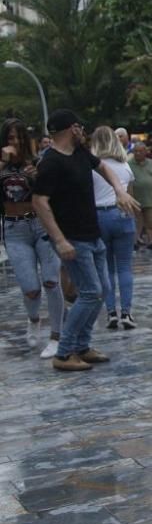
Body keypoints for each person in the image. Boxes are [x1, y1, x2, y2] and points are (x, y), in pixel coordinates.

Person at [33, 109, 140, 371]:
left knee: (101, 291)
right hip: (72, 238)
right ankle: (64, 351)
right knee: (90, 291)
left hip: (93, 235)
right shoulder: (51, 162)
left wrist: (119, 191)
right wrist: (59, 240)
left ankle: (82, 346)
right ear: (71, 129)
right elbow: (39, 202)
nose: (83, 131)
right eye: (80, 127)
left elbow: (104, 167)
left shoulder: (81, 153)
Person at [1, 118, 64, 357]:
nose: (15, 142)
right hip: (14, 229)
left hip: (40, 225)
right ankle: (34, 318)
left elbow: (54, 191)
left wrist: (38, 176)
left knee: (51, 280)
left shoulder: (37, 161)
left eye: (19, 137)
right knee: (30, 288)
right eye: (10, 138)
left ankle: (57, 336)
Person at [91, 126, 139, 331]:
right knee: (125, 266)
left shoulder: (92, 166)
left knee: (106, 268)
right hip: (122, 214)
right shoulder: (124, 166)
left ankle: (110, 312)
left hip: (99, 216)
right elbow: (130, 190)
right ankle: (127, 313)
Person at [128, 142, 152, 250]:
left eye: (140, 151)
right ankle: (134, 242)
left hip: (149, 197)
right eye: (135, 151)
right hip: (135, 197)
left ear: (145, 152)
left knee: (151, 221)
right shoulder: (129, 164)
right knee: (136, 221)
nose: (137, 153)